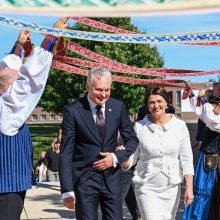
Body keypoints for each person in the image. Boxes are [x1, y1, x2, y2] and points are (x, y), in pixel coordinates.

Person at [0, 17, 68, 220]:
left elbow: (17, 78)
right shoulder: (7, 110)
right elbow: (28, 82)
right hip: (6, 188)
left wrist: (19, 46)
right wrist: (51, 36)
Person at [59, 67, 139, 220]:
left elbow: (132, 140)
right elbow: (66, 152)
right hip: (85, 180)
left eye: (107, 90)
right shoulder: (73, 110)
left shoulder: (117, 107)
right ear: (88, 87)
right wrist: (67, 190)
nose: (103, 94)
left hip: (112, 180)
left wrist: (115, 158)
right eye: (99, 90)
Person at [120, 87, 194, 220]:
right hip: (146, 186)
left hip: (172, 187)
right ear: (147, 106)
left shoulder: (180, 126)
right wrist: (123, 157)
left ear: (167, 103)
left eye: (159, 101)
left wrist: (189, 189)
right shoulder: (139, 127)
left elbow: (187, 159)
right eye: (151, 102)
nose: (156, 105)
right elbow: (132, 159)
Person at [183, 83, 220, 220]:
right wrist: (192, 93)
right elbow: (205, 115)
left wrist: (203, 99)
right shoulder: (210, 108)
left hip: (212, 154)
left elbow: (214, 121)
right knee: (204, 191)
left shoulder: (211, 111)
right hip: (210, 155)